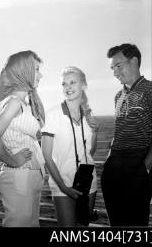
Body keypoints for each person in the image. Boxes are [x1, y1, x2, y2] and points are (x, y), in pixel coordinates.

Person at [0, 50, 46, 227]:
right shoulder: (14, 103)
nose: (40, 75)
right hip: (20, 176)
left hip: (32, 175)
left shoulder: (23, 103)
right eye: (36, 69)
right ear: (23, 71)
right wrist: (12, 160)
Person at [41, 67, 100, 226]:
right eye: (64, 84)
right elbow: (46, 155)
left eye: (73, 82)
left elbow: (90, 152)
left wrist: (95, 132)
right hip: (62, 184)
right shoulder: (53, 114)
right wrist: (64, 187)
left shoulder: (88, 115)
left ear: (84, 85)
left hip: (88, 182)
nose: (68, 87)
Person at [101, 43, 152, 226]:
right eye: (112, 68)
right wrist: (108, 160)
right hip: (114, 166)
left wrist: (145, 167)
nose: (115, 72)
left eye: (118, 66)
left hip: (137, 165)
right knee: (117, 224)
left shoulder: (150, 90)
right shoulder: (118, 96)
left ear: (134, 61)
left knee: (136, 226)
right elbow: (119, 131)